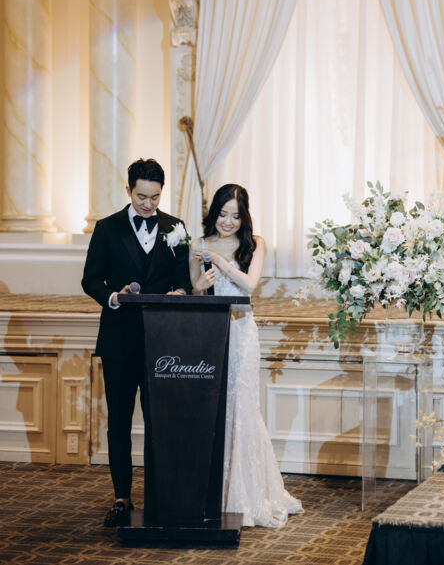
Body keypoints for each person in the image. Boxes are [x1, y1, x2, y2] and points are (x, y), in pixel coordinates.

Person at [82, 158, 191, 526]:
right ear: (128, 189)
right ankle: (122, 498)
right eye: (142, 196)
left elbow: (183, 279)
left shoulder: (176, 227)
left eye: (155, 197)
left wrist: (179, 293)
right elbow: (90, 279)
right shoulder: (107, 228)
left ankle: (161, 498)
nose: (148, 204)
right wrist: (114, 296)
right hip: (119, 340)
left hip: (163, 342)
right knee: (119, 423)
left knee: (161, 423)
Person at [189, 183, 302, 528]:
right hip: (211, 334)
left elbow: (250, 286)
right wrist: (199, 284)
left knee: (242, 406)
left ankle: (246, 493)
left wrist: (222, 263)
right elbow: (195, 293)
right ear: (214, 213)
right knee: (213, 408)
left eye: (235, 216)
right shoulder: (198, 245)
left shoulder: (255, 244)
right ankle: (212, 493)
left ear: (244, 217)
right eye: (223, 214)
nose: (228, 222)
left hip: (242, 332)